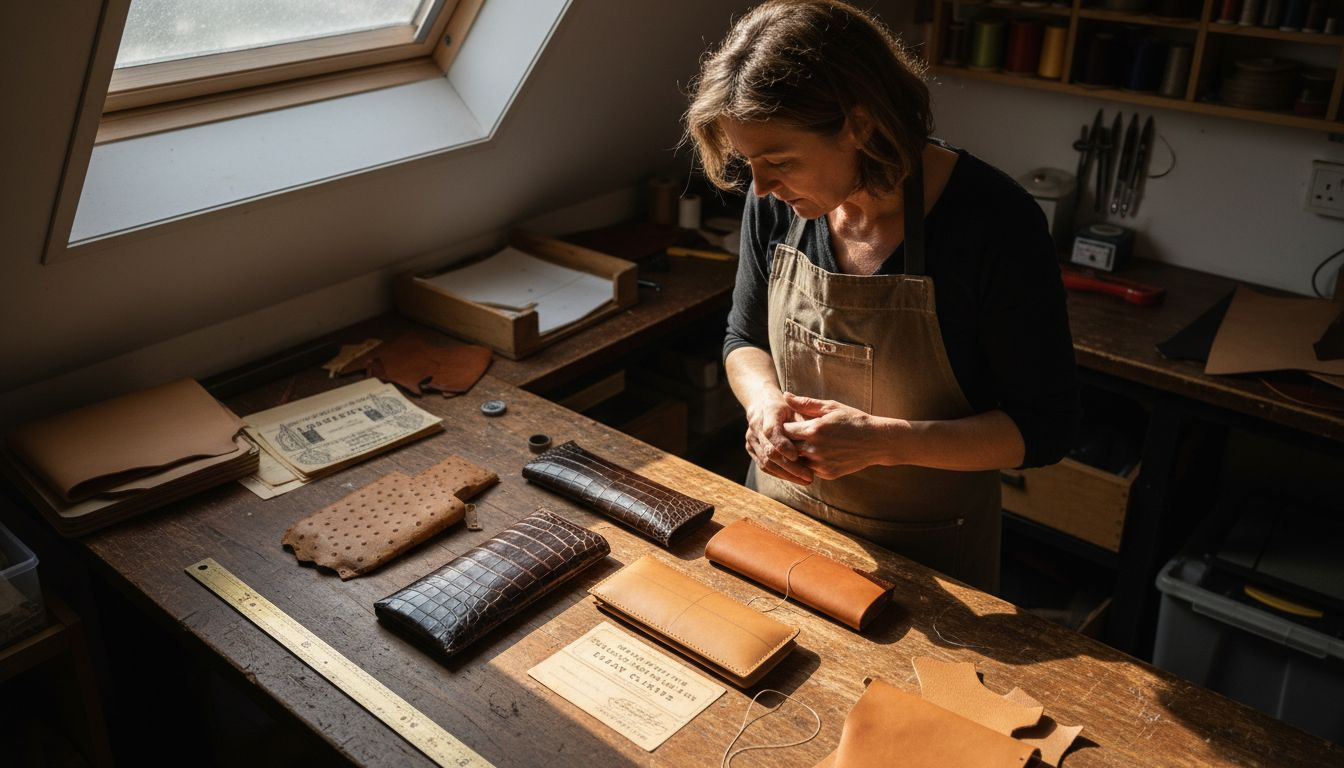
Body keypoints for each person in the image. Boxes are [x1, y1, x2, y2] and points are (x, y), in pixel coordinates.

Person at [683, 0, 1079, 593]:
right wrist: (762, 403)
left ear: (861, 125)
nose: (760, 186)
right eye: (749, 162)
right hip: (784, 523)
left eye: (781, 161)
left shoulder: (992, 221)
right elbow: (744, 340)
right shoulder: (773, 202)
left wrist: (881, 442)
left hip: (929, 555)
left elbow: (1044, 427)